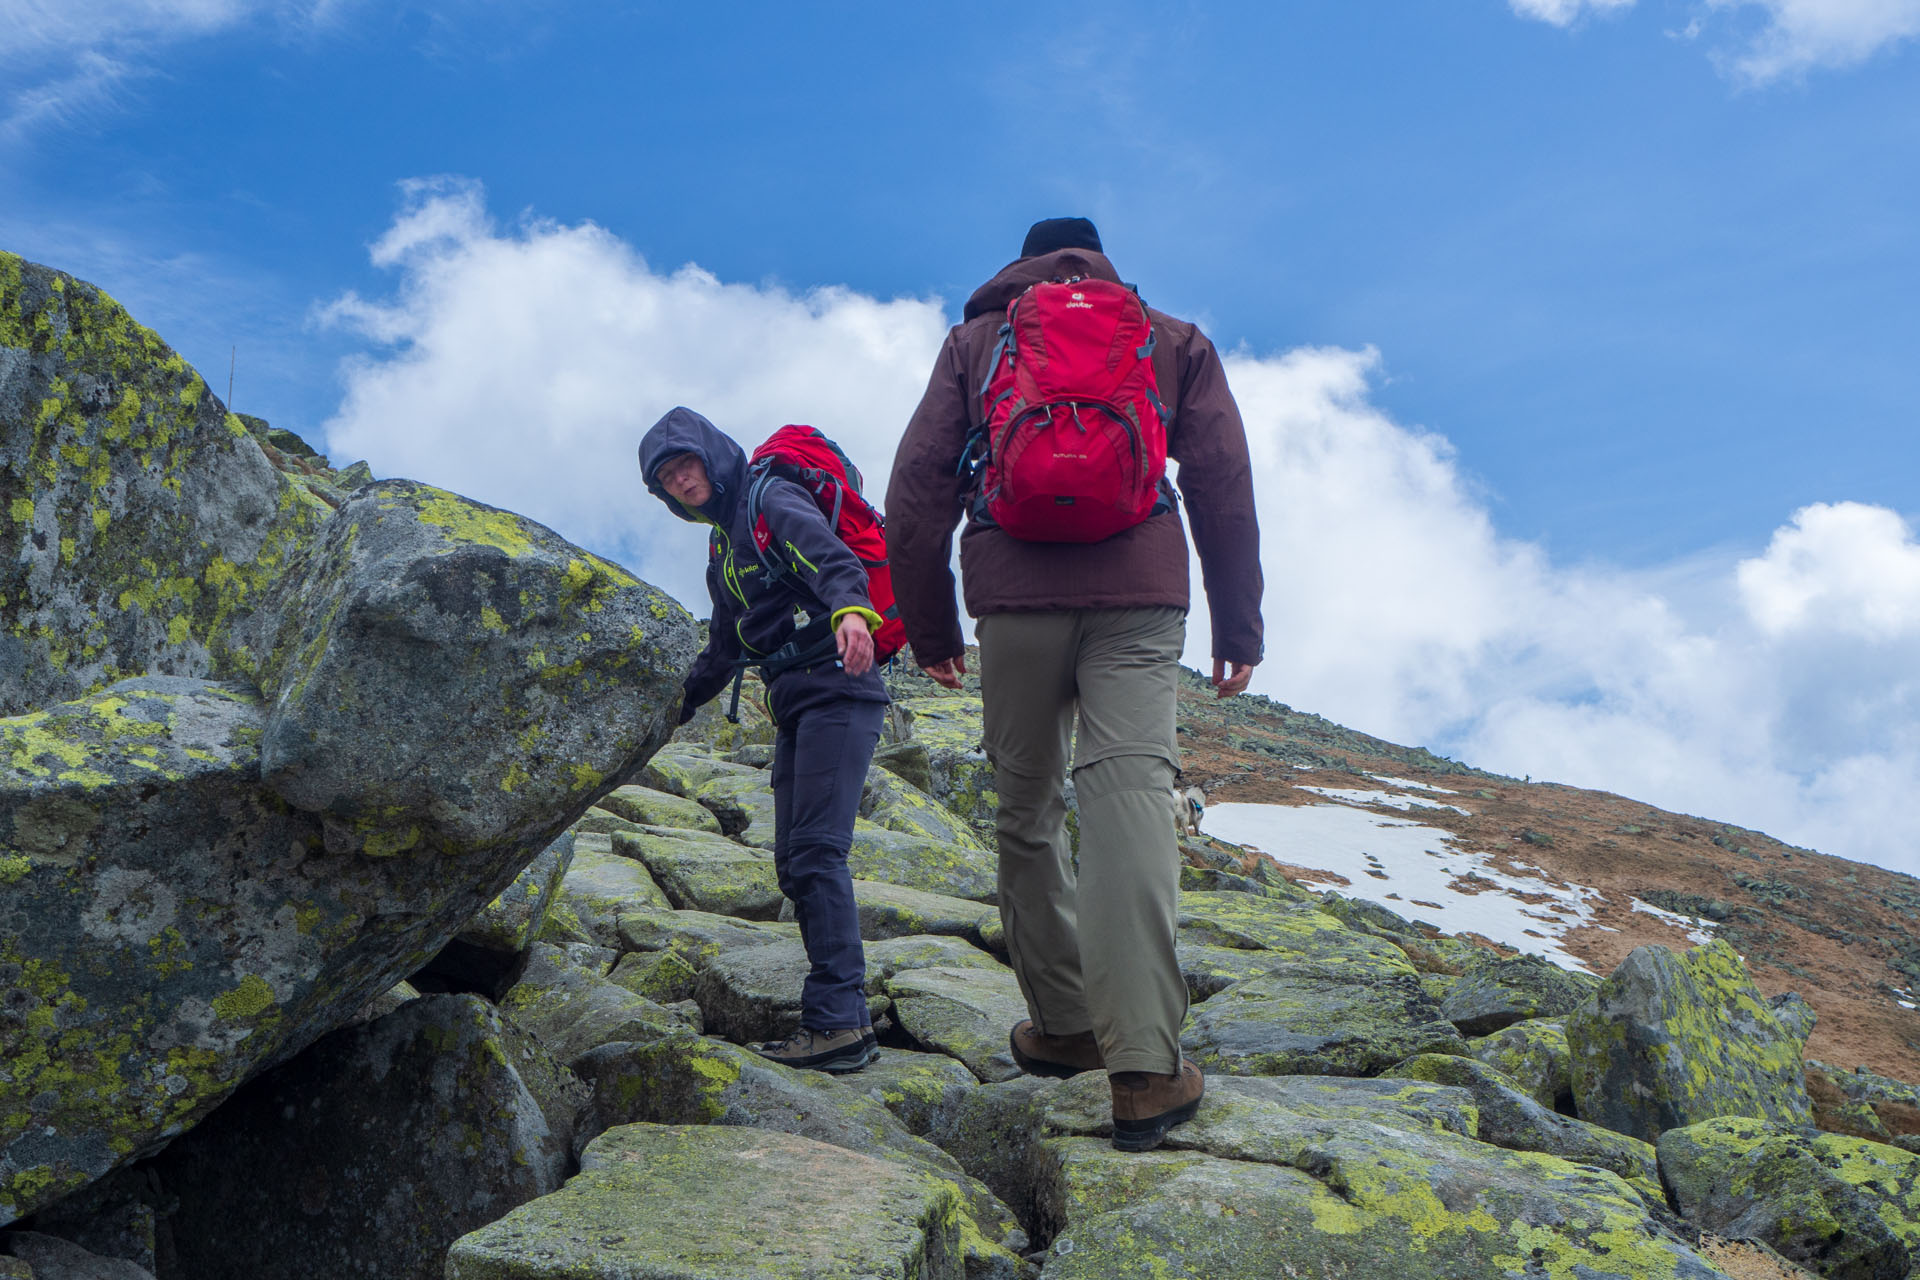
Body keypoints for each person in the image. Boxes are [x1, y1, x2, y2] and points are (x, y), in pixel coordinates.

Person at [884, 217, 1264, 1150]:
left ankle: (1062, 1027)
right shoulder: (1166, 336)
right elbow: (1222, 481)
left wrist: (930, 629)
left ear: (1018, 261)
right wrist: (1239, 623)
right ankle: (1143, 1068)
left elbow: (916, 490)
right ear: (1102, 260)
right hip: (1139, 596)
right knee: (1130, 795)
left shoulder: (978, 342)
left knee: (1025, 804)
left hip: (1012, 600)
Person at [639, 407, 888, 1073]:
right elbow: (725, 646)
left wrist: (851, 611)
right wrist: (669, 710)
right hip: (797, 698)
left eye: (686, 464)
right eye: (667, 476)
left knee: (814, 856)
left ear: (713, 457)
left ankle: (837, 1022)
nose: (680, 479)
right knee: (793, 862)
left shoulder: (768, 496)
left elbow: (829, 556)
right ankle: (844, 1020)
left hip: (839, 684)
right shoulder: (725, 541)